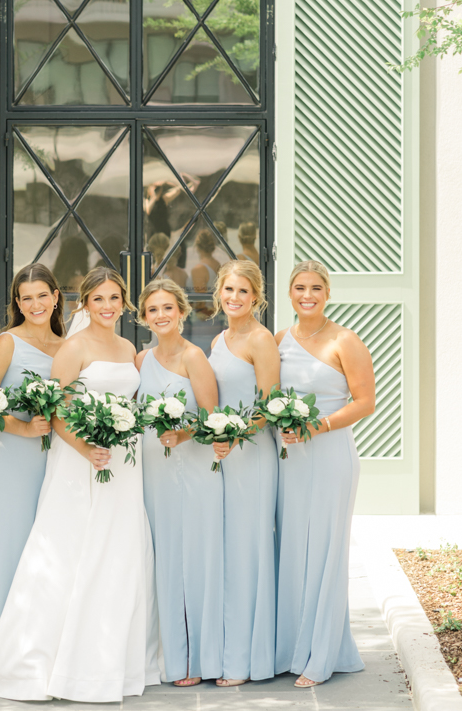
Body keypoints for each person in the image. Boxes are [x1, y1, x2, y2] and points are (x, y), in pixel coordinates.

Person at [0, 268, 160, 703]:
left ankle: (109, 656)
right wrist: (86, 449)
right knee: (70, 547)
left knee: (117, 550)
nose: (107, 306)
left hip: (123, 461)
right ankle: (48, 661)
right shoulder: (73, 347)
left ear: (124, 303)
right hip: (78, 459)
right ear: (83, 303)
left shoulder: (128, 348)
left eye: (114, 298)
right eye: (98, 299)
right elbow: (59, 411)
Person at [275, 260, 375, 687]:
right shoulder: (280, 339)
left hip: (331, 455)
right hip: (289, 461)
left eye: (316, 287)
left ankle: (322, 655)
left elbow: (365, 401)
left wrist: (321, 424)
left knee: (327, 552)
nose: (307, 295)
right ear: (290, 292)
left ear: (327, 293)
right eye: (300, 287)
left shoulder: (345, 340)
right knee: (294, 549)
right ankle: (294, 646)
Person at [0, 264, 65, 662]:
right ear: (17, 304)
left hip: (53, 463)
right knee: (8, 551)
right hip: (9, 461)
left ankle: (35, 647)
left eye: (42, 295)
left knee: (42, 555)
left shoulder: (67, 347)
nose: (35, 304)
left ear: (56, 297)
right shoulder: (8, 342)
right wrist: (24, 429)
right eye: (26, 298)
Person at [137, 278, 223, 686]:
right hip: (154, 471)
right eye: (152, 309)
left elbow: (211, 416)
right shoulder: (141, 360)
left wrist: (183, 433)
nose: (160, 315)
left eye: (167, 308)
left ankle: (197, 659)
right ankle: (170, 654)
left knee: (193, 558)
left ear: (182, 312)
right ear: (143, 316)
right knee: (165, 558)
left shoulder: (195, 358)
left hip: (191, 468)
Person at [208, 260, 280, 685]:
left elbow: (268, 406)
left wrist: (236, 435)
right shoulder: (219, 338)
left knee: (247, 551)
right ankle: (226, 650)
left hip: (251, 455)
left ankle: (246, 661)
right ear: (220, 293)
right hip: (221, 455)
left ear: (256, 296)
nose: (234, 298)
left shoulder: (261, 339)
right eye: (228, 290)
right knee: (226, 551)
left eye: (243, 291)